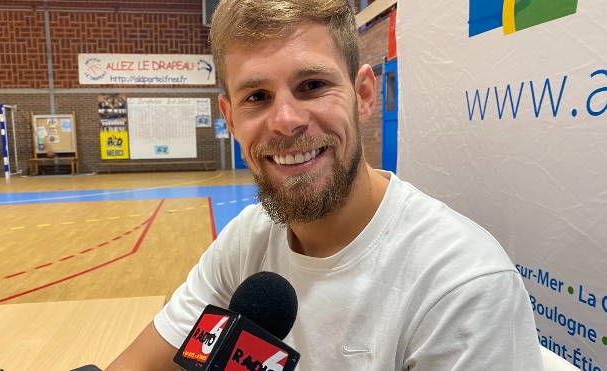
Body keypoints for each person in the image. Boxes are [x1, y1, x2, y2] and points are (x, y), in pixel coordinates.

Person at [106, 0, 544, 369]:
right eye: (256, 97)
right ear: (230, 119)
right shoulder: (246, 240)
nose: (286, 121)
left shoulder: (461, 286)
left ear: (365, 96)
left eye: (313, 85)